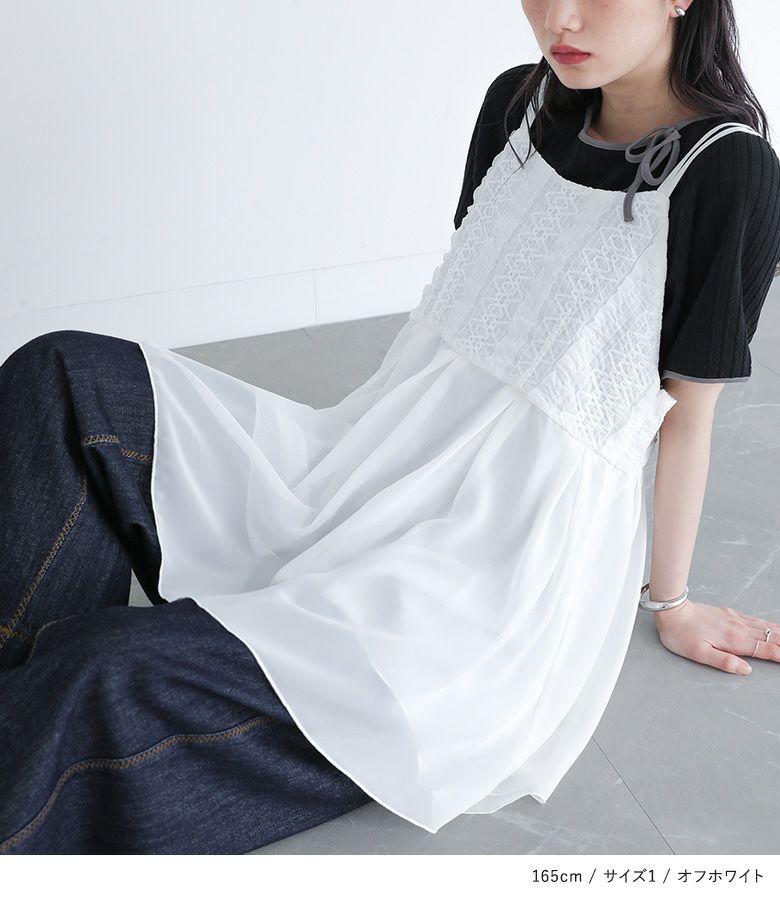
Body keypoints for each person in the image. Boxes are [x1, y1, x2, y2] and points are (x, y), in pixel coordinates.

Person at [2, 0, 780, 854]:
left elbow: (688, 417)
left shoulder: (727, 170)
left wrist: (670, 602)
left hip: (478, 596)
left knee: (97, 669)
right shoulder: (518, 104)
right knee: (59, 375)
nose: (559, 17)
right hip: (357, 475)